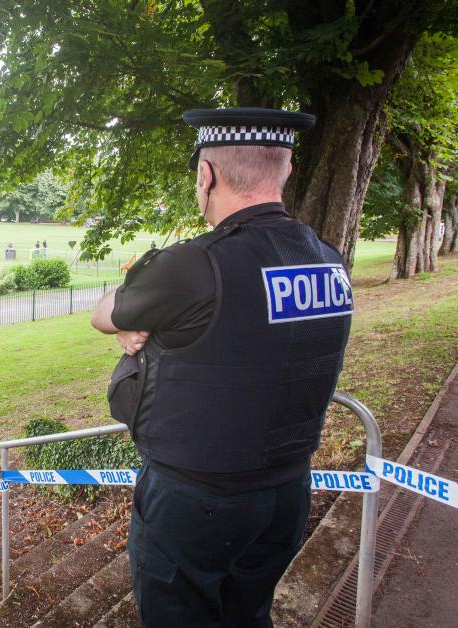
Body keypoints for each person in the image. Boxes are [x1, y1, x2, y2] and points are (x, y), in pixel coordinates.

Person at [91, 108, 353, 627]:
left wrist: (126, 327)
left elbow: (105, 314)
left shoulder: (194, 264)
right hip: (286, 493)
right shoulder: (328, 259)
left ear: (206, 175)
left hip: (196, 500)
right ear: (287, 172)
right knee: (248, 616)